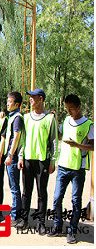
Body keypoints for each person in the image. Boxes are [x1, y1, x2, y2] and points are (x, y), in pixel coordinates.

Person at [51, 94, 93, 243]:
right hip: (63, 166)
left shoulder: (88, 124)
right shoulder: (67, 120)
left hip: (77, 169)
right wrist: (54, 119)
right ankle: (57, 226)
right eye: (67, 108)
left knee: (76, 200)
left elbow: (93, 146)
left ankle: (72, 231)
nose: (69, 111)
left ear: (79, 107)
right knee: (56, 199)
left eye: (72, 109)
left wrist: (78, 145)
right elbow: (59, 132)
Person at [17, 88, 57, 232]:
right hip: (28, 159)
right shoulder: (26, 117)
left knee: (42, 192)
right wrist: (21, 156)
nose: (30, 99)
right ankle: (24, 219)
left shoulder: (50, 118)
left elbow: (53, 141)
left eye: (33, 97)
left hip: (42, 160)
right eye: (30, 97)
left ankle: (41, 223)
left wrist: (52, 161)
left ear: (41, 99)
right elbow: (22, 139)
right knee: (26, 191)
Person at [3, 91, 25, 223]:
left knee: (14, 187)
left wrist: (10, 155)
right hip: (11, 155)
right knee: (13, 185)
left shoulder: (17, 117)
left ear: (17, 104)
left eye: (10, 102)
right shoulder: (11, 116)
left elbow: (16, 136)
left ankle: (15, 216)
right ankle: (16, 213)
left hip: (13, 156)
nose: (7, 104)